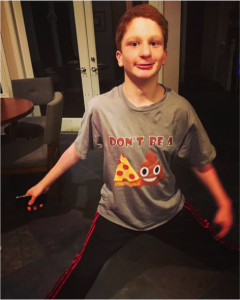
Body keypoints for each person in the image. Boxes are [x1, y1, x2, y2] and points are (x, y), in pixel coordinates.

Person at [26, 4, 238, 299]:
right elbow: (77, 149)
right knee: (80, 274)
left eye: (154, 43)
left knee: (220, 253)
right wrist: (43, 182)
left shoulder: (180, 110)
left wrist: (223, 202)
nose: (145, 51)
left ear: (164, 55)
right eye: (134, 43)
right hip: (116, 213)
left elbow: (201, 160)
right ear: (119, 56)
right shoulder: (101, 108)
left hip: (167, 211)